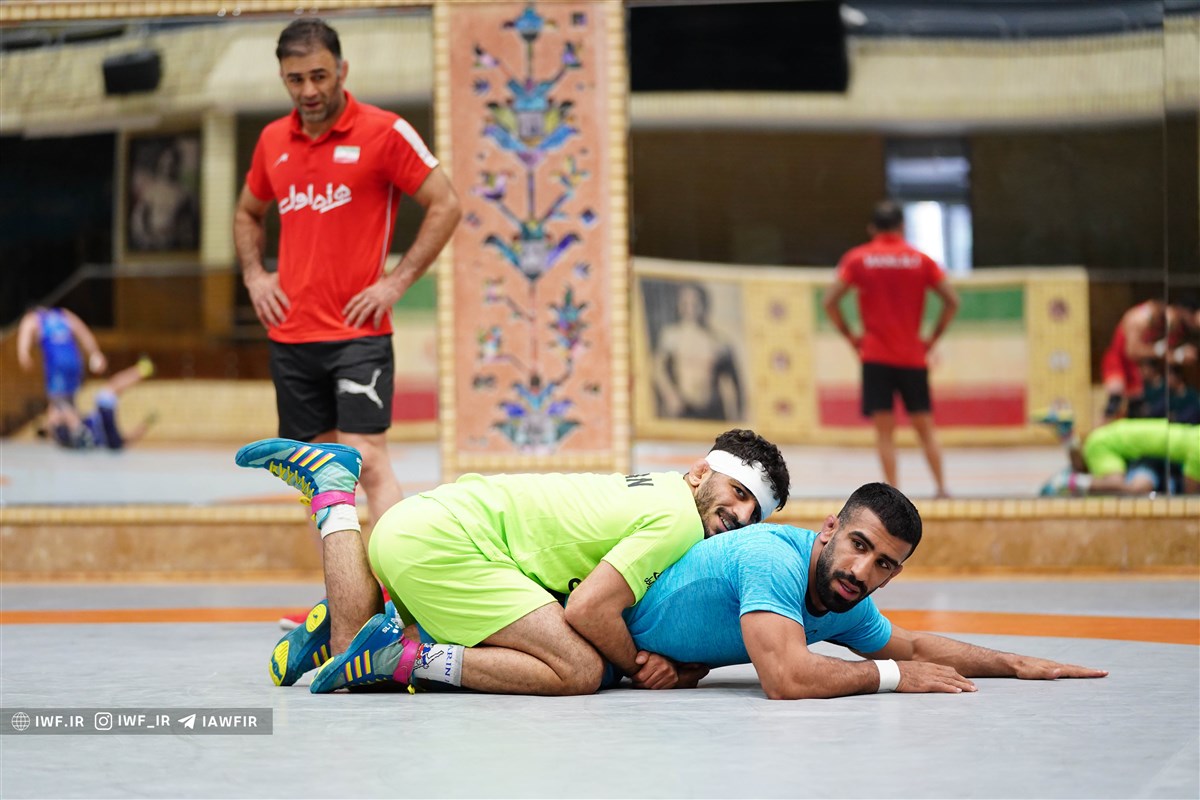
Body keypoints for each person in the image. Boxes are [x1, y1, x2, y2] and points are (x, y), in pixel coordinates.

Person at [235, 428, 791, 695]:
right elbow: (589, 609)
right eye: (739, 492)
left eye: (754, 513)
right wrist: (638, 665)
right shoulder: (676, 520)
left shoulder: (662, 489)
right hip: (445, 546)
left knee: (355, 644)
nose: (742, 515)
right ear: (700, 472)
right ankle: (336, 497)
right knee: (578, 670)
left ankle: (356, 621)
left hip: (428, 527)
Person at [233, 18, 462, 530]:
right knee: (314, 476)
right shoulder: (272, 140)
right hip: (292, 336)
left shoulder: (384, 131)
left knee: (368, 460)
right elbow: (247, 211)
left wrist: (396, 282)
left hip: (359, 334)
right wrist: (254, 276)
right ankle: (343, 584)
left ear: (342, 70)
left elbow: (446, 203)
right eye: (296, 79)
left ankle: (398, 581)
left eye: (319, 76)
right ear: (283, 79)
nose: (308, 90)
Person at [617, 482, 1107, 698]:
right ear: (829, 528)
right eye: (858, 544)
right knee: (579, 676)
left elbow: (913, 647)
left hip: (637, 666)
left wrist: (1015, 664)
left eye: (883, 564)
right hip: (600, 638)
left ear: (893, 575)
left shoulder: (844, 596)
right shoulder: (773, 558)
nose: (860, 571)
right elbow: (786, 679)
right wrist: (892, 676)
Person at [823, 200, 960, 498]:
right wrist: (931, 339)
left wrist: (851, 336)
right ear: (902, 227)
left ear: (872, 228)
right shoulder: (921, 261)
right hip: (912, 356)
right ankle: (941, 488)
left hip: (875, 357)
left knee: (885, 432)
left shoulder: (858, 259)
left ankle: (894, 496)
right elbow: (952, 300)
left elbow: (829, 300)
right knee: (925, 427)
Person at [652, 282, 743, 420]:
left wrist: (736, 415)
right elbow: (658, 369)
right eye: (685, 303)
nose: (690, 308)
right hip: (682, 409)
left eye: (695, 303)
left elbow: (734, 382)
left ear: (704, 304)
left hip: (711, 411)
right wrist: (670, 395)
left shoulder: (718, 340)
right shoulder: (672, 336)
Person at [1040, 418, 1199, 496]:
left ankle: (1068, 438)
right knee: (1119, 485)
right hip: (1107, 443)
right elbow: (1190, 501)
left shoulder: (1195, 436)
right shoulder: (1197, 449)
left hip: (1121, 441)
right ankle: (1067, 482)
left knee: (1086, 466)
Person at [1099, 299, 1195, 422]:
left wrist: (1178, 355)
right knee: (1114, 402)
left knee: (1137, 408)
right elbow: (1131, 352)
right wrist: (1158, 351)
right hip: (1118, 361)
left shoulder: (1162, 322)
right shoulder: (1138, 319)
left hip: (1134, 365)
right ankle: (1099, 430)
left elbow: (1163, 352)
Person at [37, 357, 158, 451]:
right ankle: (143, 370)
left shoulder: (62, 438)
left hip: (107, 439)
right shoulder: (61, 431)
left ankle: (149, 421)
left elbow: (124, 444)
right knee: (110, 390)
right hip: (101, 423)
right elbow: (66, 414)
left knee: (121, 442)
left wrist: (146, 424)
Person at [17, 306, 107, 410]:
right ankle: (63, 418)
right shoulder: (63, 314)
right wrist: (95, 353)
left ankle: (74, 420)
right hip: (75, 362)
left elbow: (24, 338)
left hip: (56, 365)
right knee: (66, 401)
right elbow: (83, 333)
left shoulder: (32, 318)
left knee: (59, 403)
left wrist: (24, 355)